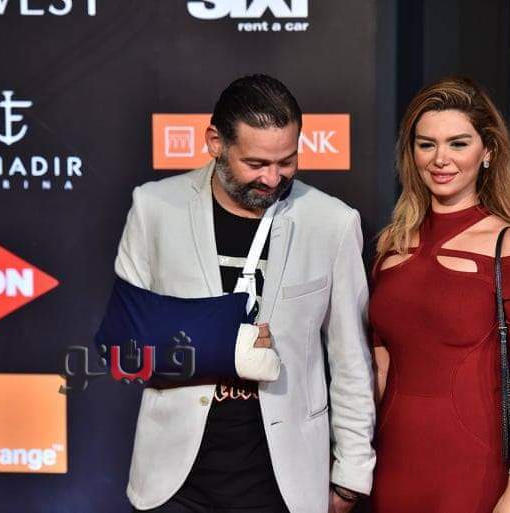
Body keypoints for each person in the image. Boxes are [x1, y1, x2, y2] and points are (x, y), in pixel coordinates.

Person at [113, 74, 375, 513]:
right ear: (215, 142)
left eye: (287, 161)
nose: (272, 178)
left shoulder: (332, 222)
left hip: (284, 480)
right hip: (174, 481)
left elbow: (351, 358)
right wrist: (223, 345)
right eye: (255, 163)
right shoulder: (155, 207)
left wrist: (351, 475)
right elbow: (124, 342)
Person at [369, 77, 510, 513]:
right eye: (427, 144)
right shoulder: (390, 246)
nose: (441, 159)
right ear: (412, 153)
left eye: (458, 143)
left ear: (487, 151)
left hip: (473, 469)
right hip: (390, 465)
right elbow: (380, 370)